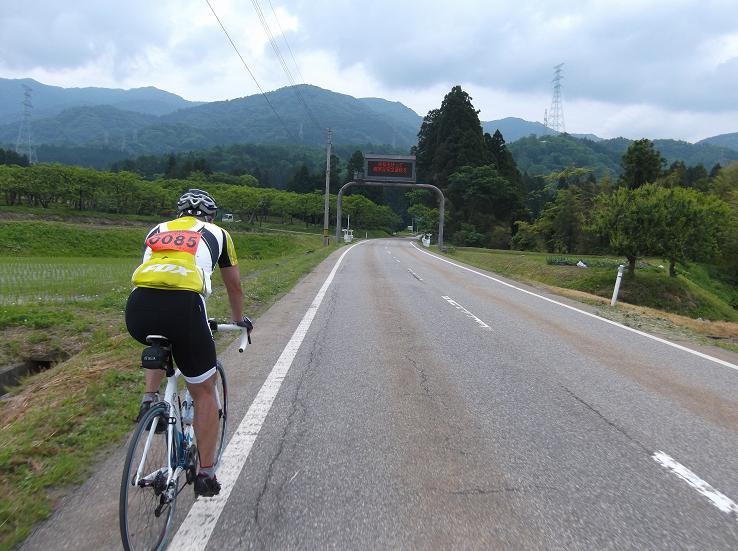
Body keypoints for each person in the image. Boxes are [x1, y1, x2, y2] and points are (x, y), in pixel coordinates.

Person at [125, 188, 252, 497]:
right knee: (204, 390)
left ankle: (149, 397)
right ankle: (206, 473)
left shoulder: (157, 230)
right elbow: (233, 286)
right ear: (211, 216)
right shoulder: (218, 233)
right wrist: (239, 320)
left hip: (137, 308)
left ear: (178, 213)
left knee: (159, 341)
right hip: (184, 307)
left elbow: (155, 275)